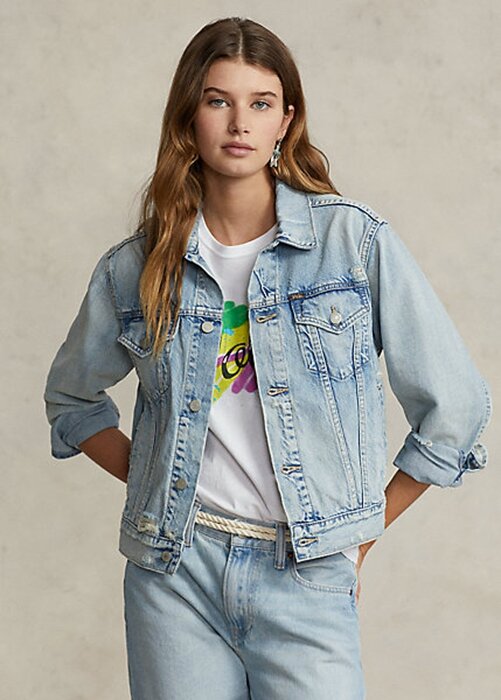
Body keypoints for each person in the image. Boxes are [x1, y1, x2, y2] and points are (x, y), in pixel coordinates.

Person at [43, 16, 492, 700]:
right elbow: (72, 398)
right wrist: (160, 483)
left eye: (259, 103)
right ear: (188, 117)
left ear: (286, 119)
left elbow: (454, 408)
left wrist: (358, 537)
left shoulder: (350, 244)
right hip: (175, 573)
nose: (239, 123)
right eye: (217, 100)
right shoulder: (137, 266)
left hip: (305, 571)